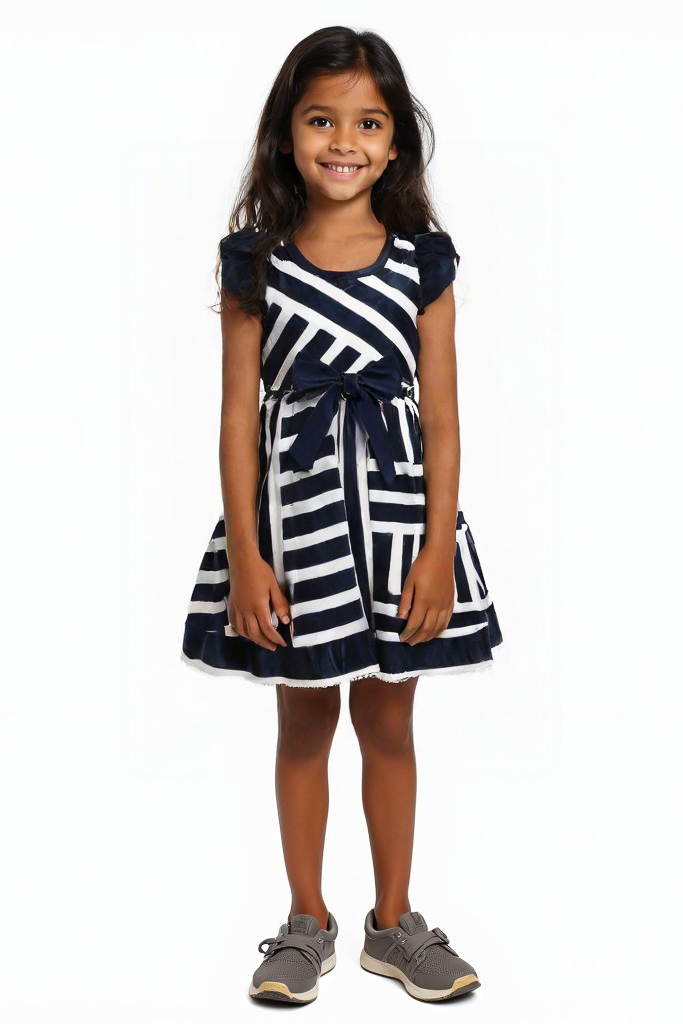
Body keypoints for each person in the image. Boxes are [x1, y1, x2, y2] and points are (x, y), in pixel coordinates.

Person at [181, 25, 504, 1005]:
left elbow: (441, 417)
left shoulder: (424, 263)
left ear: (395, 142)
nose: (343, 141)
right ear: (287, 134)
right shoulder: (254, 263)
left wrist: (437, 551)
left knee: (391, 721)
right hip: (298, 524)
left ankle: (393, 923)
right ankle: (304, 922)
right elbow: (236, 417)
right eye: (321, 120)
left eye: (367, 123)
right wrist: (247, 556)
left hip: (399, 524)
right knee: (302, 719)